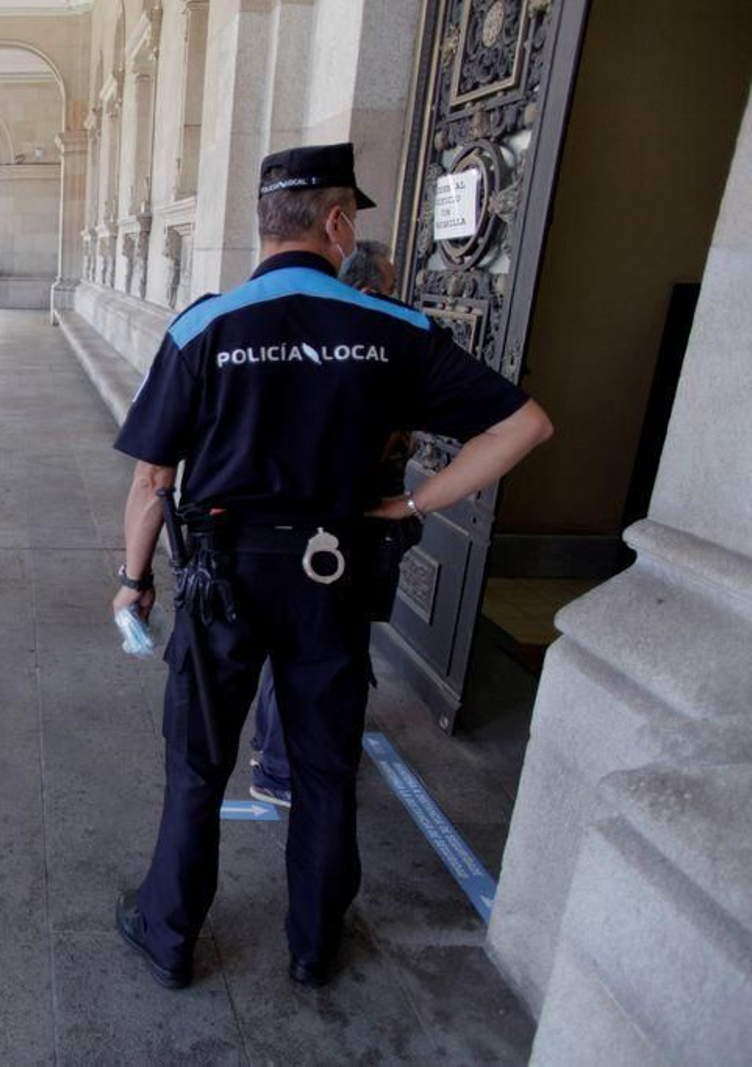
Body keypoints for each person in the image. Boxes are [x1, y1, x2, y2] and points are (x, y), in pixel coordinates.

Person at [109, 143, 553, 990]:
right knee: (321, 766)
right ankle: (315, 944)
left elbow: (150, 479)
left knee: (198, 763)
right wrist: (416, 504)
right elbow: (525, 426)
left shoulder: (205, 325)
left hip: (223, 574)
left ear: (265, 225)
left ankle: (168, 934)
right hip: (331, 574)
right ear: (338, 223)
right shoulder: (393, 329)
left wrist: (134, 581)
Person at [248, 237, 401, 809]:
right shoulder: (372, 343)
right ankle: (284, 769)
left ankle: (272, 752)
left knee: (288, 646)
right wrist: (408, 506)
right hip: (341, 524)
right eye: (385, 289)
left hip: (292, 521)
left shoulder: (294, 335)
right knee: (320, 649)